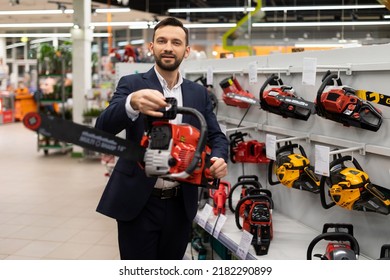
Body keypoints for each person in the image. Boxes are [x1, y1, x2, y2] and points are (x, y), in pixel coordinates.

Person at [94, 17, 229, 260]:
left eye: (176, 42)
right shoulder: (132, 84)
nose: (168, 47)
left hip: (180, 202)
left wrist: (218, 158)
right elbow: (103, 128)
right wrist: (131, 103)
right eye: (162, 41)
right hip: (139, 202)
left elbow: (217, 136)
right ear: (151, 47)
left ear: (186, 51)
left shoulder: (198, 93)